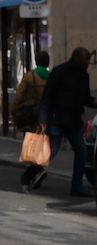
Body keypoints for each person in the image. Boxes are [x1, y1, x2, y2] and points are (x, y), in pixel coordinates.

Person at [22, 47, 97, 196]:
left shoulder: (84, 76)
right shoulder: (59, 72)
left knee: (81, 152)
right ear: (77, 59)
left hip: (74, 120)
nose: (88, 62)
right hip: (56, 117)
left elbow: (85, 97)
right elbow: (47, 96)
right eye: (86, 59)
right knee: (51, 152)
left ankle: (76, 187)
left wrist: (94, 101)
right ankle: (27, 175)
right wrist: (43, 119)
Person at [12, 50, 50, 134]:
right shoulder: (52, 76)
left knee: (31, 139)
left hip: (32, 113)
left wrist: (13, 109)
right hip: (48, 113)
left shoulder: (29, 76)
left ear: (36, 62)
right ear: (48, 62)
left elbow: (19, 94)